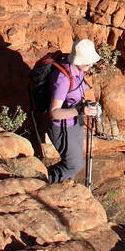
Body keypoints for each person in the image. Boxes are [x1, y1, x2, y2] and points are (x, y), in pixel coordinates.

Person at [46, 38, 101, 184]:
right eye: (89, 61)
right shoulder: (63, 78)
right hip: (62, 126)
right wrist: (80, 110)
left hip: (75, 122)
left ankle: (63, 189)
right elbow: (54, 112)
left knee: (75, 162)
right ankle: (43, 180)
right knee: (73, 165)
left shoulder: (78, 70)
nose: (92, 64)